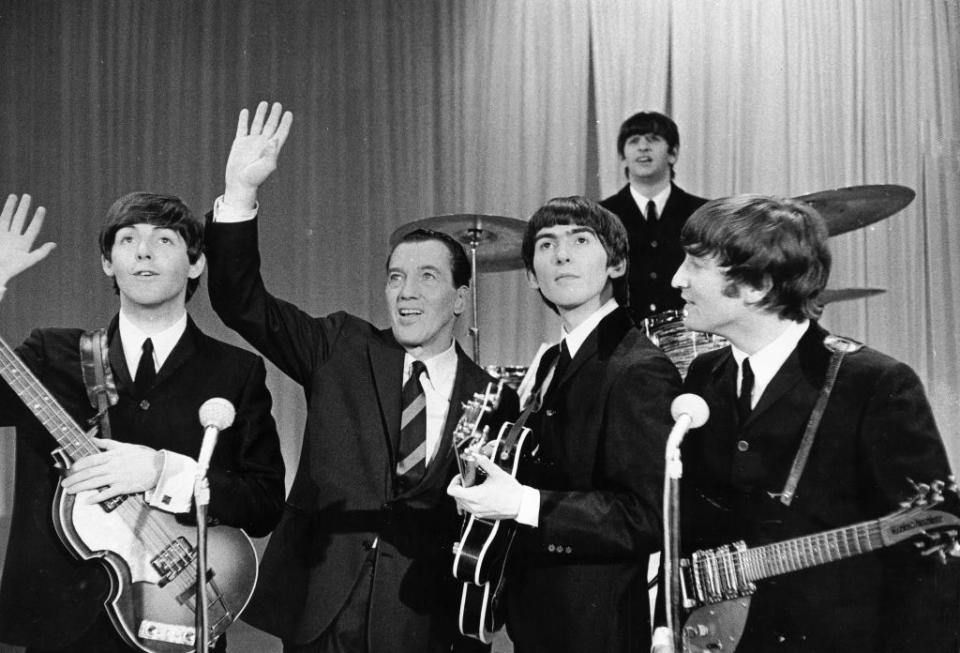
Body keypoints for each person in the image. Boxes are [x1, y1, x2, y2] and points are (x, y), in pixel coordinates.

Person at [204, 101, 518, 653]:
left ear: (462, 298)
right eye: (396, 277)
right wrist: (239, 193)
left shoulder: (493, 397)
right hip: (322, 606)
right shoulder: (339, 346)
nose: (407, 292)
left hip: (427, 619)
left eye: (426, 277)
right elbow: (240, 301)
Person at [652, 194, 960, 652]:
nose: (678, 279)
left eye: (696, 265)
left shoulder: (874, 383)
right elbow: (689, 525)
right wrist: (667, 625)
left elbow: (930, 563)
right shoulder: (704, 374)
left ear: (755, 285)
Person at [0, 192, 286, 652]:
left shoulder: (235, 371)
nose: (144, 251)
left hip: (181, 617)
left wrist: (162, 471)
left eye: (165, 240)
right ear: (108, 263)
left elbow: (265, 502)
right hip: (63, 627)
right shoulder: (51, 355)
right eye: (127, 239)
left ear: (196, 265)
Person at [448, 196, 682, 653]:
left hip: (599, 630)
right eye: (546, 244)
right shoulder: (554, 360)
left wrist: (522, 503)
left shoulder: (638, 367)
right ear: (533, 276)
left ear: (615, 264)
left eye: (581, 240)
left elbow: (647, 517)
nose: (562, 254)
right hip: (541, 620)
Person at [600, 111, 707, 321]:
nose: (643, 147)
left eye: (653, 139)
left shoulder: (703, 213)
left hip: (689, 335)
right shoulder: (600, 215)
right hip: (620, 341)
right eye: (633, 141)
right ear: (622, 158)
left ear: (673, 153)